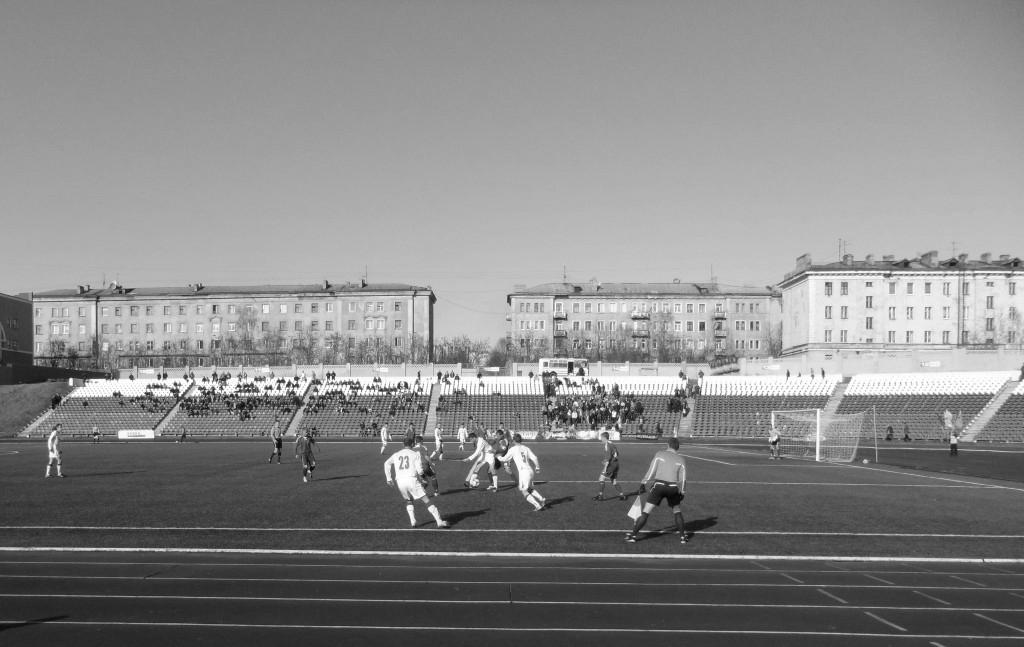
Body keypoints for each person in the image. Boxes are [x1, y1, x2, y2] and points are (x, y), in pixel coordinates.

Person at [626, 437, 687, 544]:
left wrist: (643, 483)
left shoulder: (660, 454)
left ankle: (633, 535)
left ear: (668, 445)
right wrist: (682, 492)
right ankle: (682, 537)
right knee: (677, 511)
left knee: (646, 512)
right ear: (678, 448)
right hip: (673, 488)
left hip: (659, 486)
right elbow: (684, 478)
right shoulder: (681, 459)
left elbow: (651, 470)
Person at [384, 438, 449, 528]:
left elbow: (386, 463)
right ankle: (439, 521)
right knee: (426, 500)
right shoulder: (415, 454)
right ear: (412, 444)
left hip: (400, 481)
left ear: (403, 445)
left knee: (408, 500)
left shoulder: (396, 454)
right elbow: (420, 470)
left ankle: (413, 521)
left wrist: (389, 478)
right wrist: (423, 478)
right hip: (411, 480)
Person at [498, 433, 547, 511]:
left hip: (524, 472)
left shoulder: (513, 449)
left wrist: (498, 456)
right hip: (530, 471)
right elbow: (534, 458)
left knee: (523, 491)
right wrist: (537, 467)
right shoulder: (526, 448)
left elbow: (504, 459)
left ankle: (537, 505)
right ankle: (541, 499)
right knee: (528, 489)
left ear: (514, 441)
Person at [594, 431, 626, 501]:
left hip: (611, 465)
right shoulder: (612, 443)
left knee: (601, 478)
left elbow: (608, 457)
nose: (601, 439)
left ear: (605, 438)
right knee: (614, 481)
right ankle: (622, 495)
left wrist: (605, 467)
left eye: (601, 438)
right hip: (616, 464)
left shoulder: (607, 445)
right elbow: (617, 453)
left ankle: (600, 495)